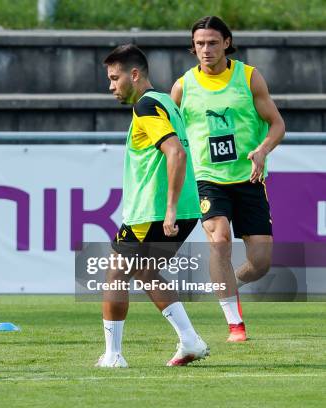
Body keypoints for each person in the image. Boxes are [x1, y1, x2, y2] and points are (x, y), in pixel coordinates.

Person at [171, 16, 285, 342]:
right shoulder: (183, 86)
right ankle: (235, 324)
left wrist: (262, 151)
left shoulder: (249, 78)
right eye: (199, 44)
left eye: (211, 42)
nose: (205, 49)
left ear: (226, 42)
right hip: (207, 177)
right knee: (218, 239)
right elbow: (168, 134)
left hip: (249, 177)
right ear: (193, 48)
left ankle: (226, 284)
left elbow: (277, 124)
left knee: (260, 263)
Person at [97, 44, 208, 368]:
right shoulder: (163, 102)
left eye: (115, 78)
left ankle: (113, 356)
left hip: (156, 211)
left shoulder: (146, 106)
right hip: (185, 208)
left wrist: (169, 208)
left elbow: (176, 152)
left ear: (135, 74)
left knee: (116, 274)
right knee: (145, 272)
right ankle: (189, 340)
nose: (111, 87)